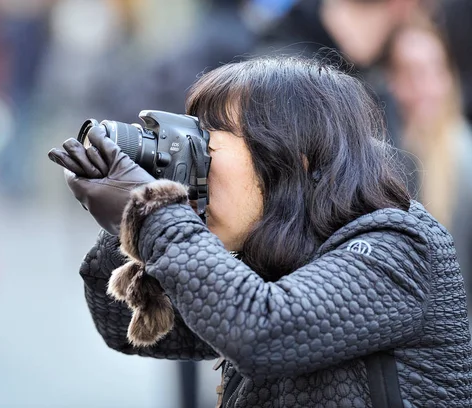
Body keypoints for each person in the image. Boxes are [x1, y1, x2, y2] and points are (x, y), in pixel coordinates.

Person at [48, 56, 472, 406]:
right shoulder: (279, 253)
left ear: (295, 157)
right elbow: (121, 323)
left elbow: (264, 331)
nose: (196, 166)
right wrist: (128, 218)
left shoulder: (399, 247)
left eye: (207, 143)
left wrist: (152, 212)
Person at [386, 16, 472, 323]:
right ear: (390, 81)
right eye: (409, 72)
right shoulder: (383, 159)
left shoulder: (464, 156)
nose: (424, 87)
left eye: (434, 70)